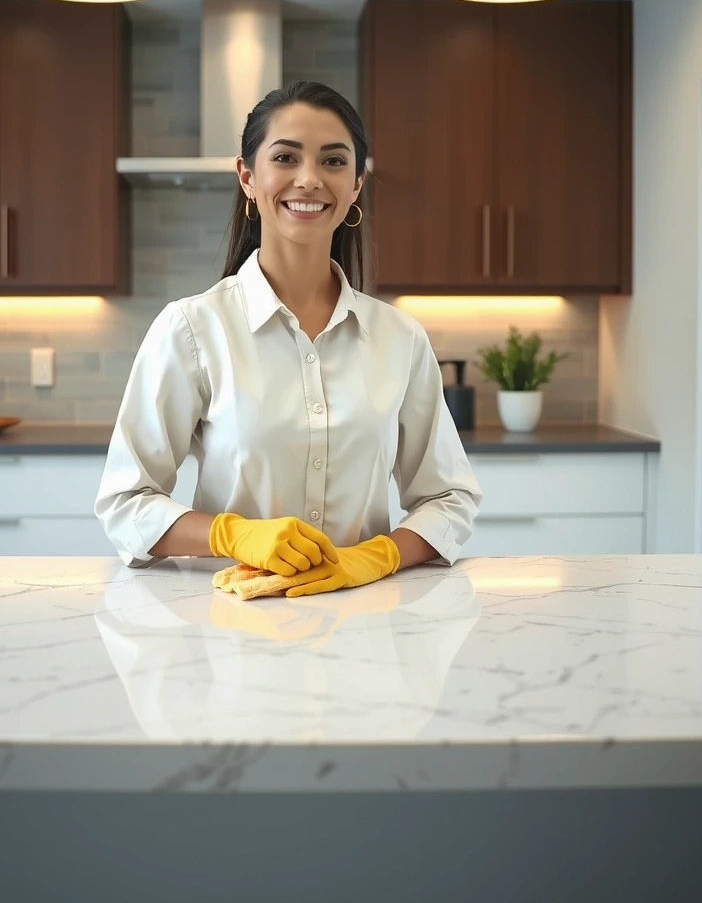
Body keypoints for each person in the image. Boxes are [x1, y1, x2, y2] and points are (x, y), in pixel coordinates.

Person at [95, 81, 482, 599]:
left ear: (357, 186)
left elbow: (449, 498)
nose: (309, 179)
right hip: (233, 628)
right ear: (248, 177)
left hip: (367, 628)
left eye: (334, 161)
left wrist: (377, 555)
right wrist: (230, 534)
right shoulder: (192, 328)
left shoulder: (400, 338)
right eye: (285, 157)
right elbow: (125, 502)